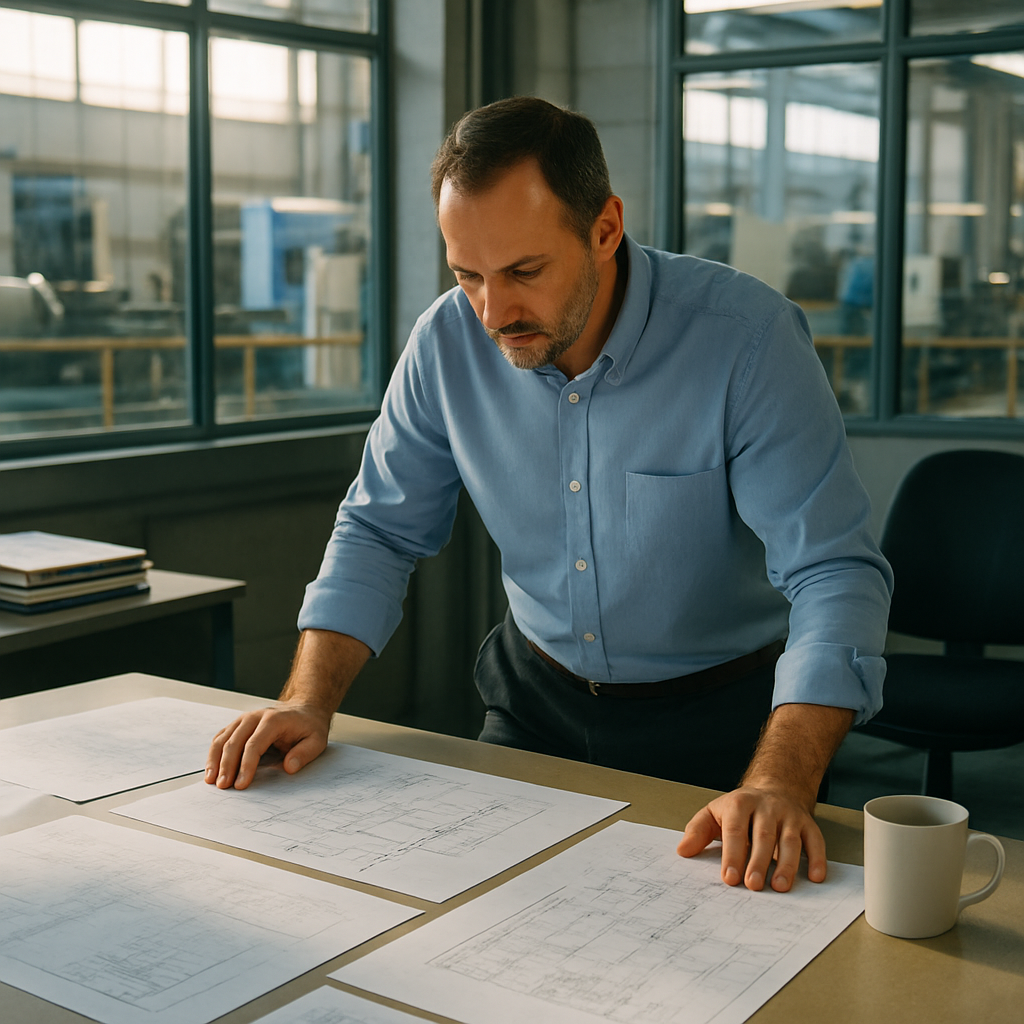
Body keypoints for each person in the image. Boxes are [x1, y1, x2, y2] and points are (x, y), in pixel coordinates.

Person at [206, 97, 892, 896]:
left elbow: (834, 573)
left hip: (730, 728)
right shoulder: (445, 342)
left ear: (605, 228)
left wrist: (781, 780)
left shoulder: (746, 341)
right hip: (534, 704)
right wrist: (308, 701)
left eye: (524, 272)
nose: (494, 314)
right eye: (468, 276)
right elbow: (379, 531)